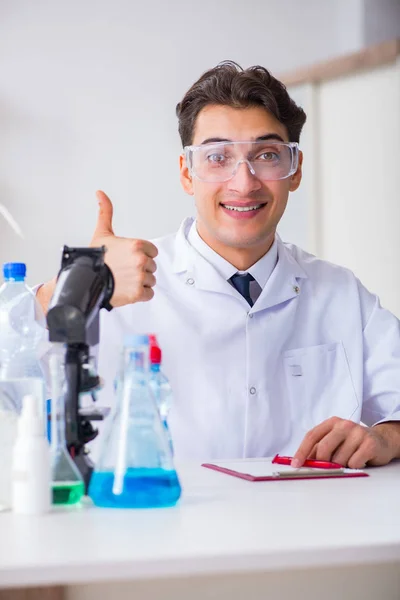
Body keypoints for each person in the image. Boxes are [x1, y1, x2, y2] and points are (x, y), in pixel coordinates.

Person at [37, 61, 400, 468]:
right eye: (217, 157)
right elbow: (11, 374)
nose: (244, 182)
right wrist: (79, 282)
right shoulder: (120, 286)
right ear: (187, 173)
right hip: (155, 525)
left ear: (294, 169)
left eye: (267, 154)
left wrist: (385, 436)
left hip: (314, 527)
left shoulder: (340, 293)